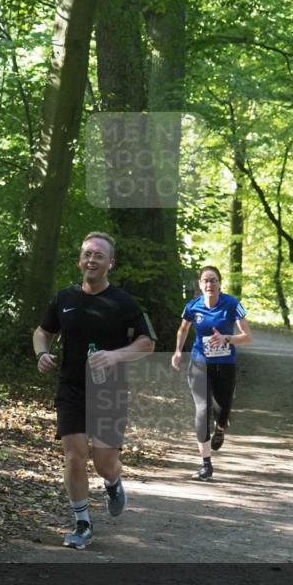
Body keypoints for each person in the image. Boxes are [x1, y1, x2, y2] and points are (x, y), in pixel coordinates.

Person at [33, 232, 156, 549]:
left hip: (109, 392)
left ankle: (113, 481)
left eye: (99, 255)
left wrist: (115, 356)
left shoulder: (123, 302)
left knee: (103, 462)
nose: (92, 259)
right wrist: (42, 353)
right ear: (79, 261)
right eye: (87, 254)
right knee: (75, 457)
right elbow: (42, 332)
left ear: (110, 263)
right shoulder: (64, 298)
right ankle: (82, 523)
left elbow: (147, 343)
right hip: (71, 389)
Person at [171, 266, 252, 480]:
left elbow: (247, 336)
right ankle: (206, 464)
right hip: (200, 362)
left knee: (222, 410)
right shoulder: (192, 306)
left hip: (225, 365)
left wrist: (227, 338)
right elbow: (183, 329)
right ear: (200, 284)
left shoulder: (232, 304)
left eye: (213, 280)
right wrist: (178, 351)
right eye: (206, 281)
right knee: (202, 410)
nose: (209, 285)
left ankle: (221, 428)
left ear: (220, 283)